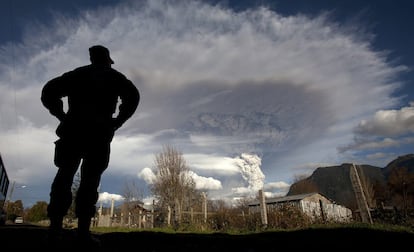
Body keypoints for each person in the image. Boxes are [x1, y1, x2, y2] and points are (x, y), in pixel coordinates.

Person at [41, 45, 140, 246]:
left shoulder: (77, 75)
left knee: (65, 176)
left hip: (75, 132)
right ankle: (82, 232)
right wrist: (117, 121)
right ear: (106, 60)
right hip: (98, 134)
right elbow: (133, 97)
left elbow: (49, 91)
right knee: (89, 180)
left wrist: (62, 116)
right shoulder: (114, 77)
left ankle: (55, 229)